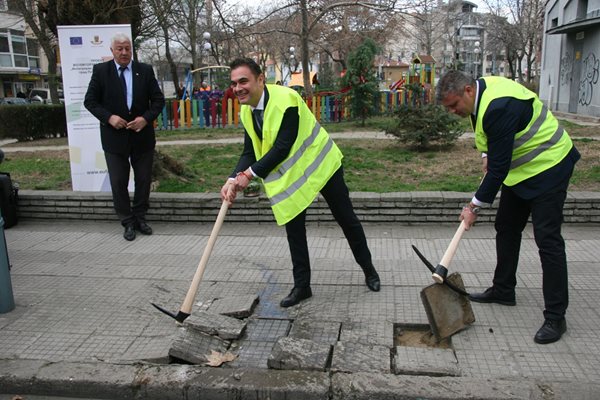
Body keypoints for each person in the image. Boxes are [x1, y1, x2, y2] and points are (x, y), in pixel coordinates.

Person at [221, 58, 381, 308]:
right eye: (234, 84)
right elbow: (250, 151)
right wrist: (232, 178)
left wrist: (249, 175)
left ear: (260, 79)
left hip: (322, 165)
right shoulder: (246, 111)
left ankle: (369, 270)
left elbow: (282, 148)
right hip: (294, 176)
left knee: (346, 219)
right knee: (294, 231)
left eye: (244, 81)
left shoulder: (286, 100)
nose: (238, 88)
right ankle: (302, 286)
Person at [436, 70, 580, 344]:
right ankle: (503, 290)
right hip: (522, 171)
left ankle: (555, 317)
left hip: (549, 165)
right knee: (506, 226)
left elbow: (498, 170)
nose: (453, 111)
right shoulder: (480, 96)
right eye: (448, 108)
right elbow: (490, 140)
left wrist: (473, 207)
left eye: (454, 105)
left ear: (468, 90)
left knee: (547, 239)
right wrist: (487, 153)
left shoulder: (499, 105)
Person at [84, 33, 165, 241]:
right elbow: (90, 101)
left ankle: (140, 217)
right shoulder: (101, 71)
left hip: (142, 137)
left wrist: (145, 119)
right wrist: (109, 117)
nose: (124, 52)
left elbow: (158, 100)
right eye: (119, 48)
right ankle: (127, 221)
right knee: (118, 181)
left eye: (127, 48)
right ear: (112, 51)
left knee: (144, 180)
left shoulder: (145, 71)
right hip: (114, 138)